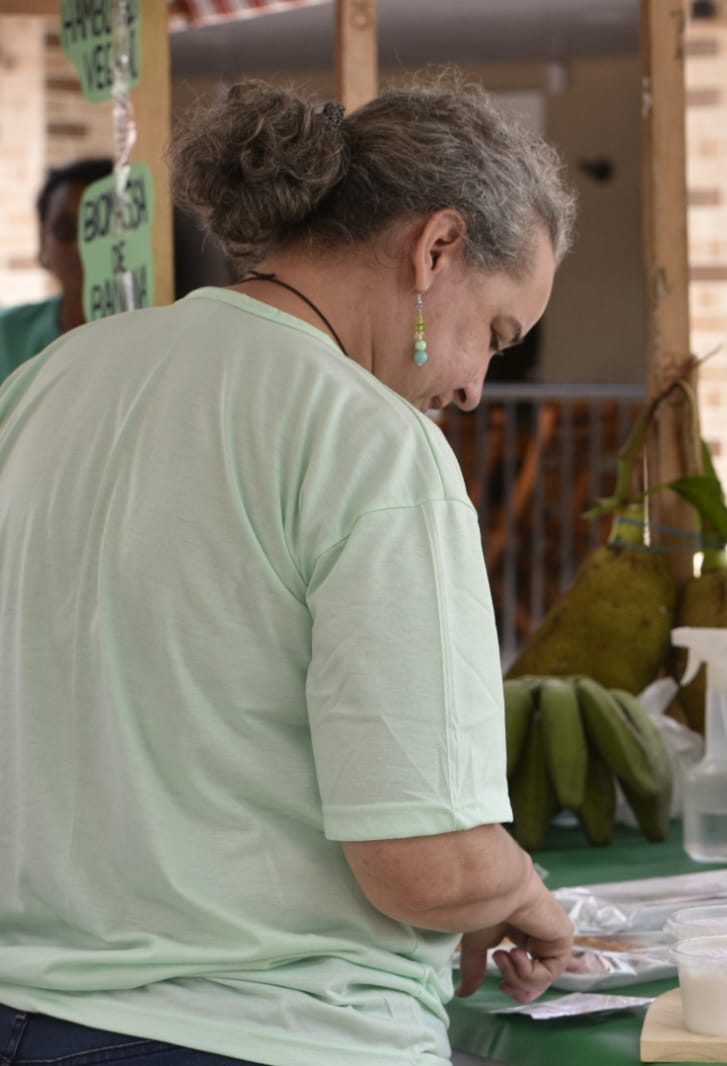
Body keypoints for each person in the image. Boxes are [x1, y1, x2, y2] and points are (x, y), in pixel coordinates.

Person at [0, 75, 577, 1065]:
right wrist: (521, 889)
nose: (478, 385)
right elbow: (424, 864)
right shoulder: (373, 441)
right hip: (267, 1029)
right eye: (497, 333)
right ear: (435, 249)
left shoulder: (49, 380)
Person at [0, 156, 113, 379]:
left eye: (99, 229)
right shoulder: (6, 335)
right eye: (65, 229)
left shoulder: (156, 332)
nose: (81, 246)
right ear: (43, 242)